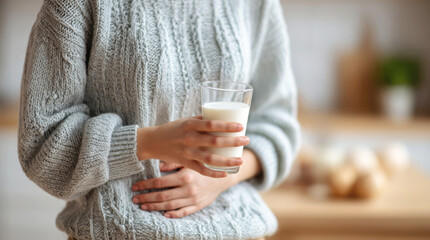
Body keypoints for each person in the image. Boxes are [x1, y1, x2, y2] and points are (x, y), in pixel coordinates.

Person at [18, 0, 300, 239]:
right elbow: (43, 143)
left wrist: (221, 177)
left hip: (237, 229)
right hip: (119, 230)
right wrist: (148, 142)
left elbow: (277, 121)